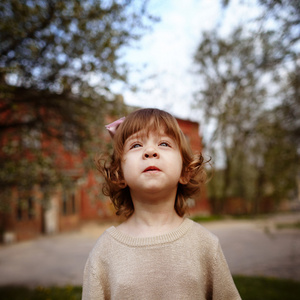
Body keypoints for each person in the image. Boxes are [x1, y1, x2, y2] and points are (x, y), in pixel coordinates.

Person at [82, 108, 241, 300]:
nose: (150, 151)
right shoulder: (104, 253)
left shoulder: (205, 245)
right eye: (136, 145)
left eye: (164, 143)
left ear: (185, 171)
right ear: (120, 174)